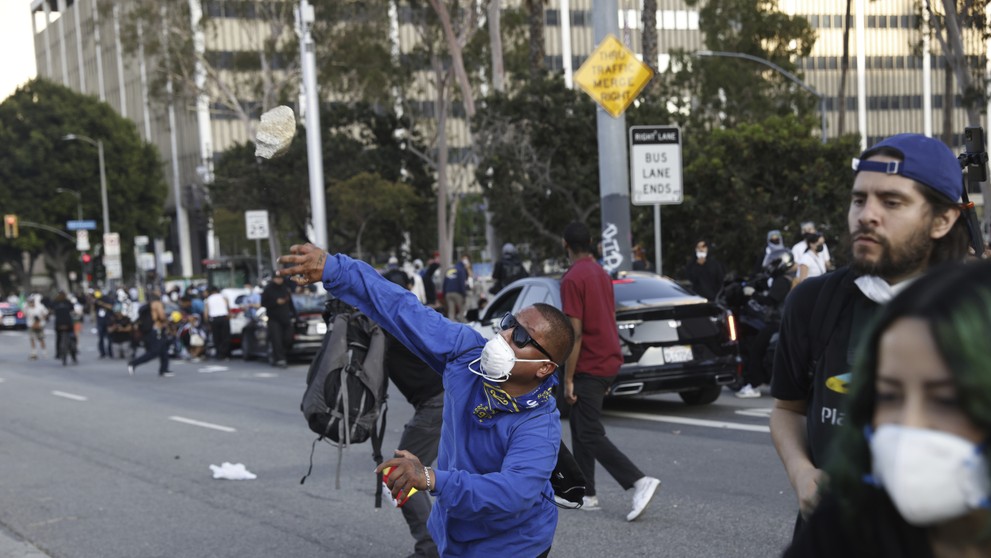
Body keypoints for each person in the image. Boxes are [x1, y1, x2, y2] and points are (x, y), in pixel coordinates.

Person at [277, 242, 575, 557]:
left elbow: (513, 493)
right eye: (508, 324)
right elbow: (403, 309)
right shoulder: (466, 356)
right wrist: (335, 269)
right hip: (453, 540)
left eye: (522, 338)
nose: (505, 336)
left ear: (544, 367)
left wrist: (431, 477)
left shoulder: (538, 424)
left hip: (513, 548)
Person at [770, 133, 970, 537]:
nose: (866, 215)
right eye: (859, 199)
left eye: (892, 202)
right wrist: (801, 472)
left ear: (942, 220)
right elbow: (788, 409)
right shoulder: (813, 303)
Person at [784, 260, 991, 557]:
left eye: (945, 400)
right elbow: (786, 408)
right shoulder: (845, 522)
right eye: (888, 396)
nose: (908, 424)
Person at [560, 222, 661, 521]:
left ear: (566, 245)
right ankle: (585, 493)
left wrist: (567, 377)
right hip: (609, 358)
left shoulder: (572, 279)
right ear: (590, 243)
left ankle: (638, 482)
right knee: (580, 426)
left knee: (589, 431)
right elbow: (609, 315)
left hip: (590, 363)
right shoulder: (601, 273)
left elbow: (574, 333)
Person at [381, 269, 446, 558]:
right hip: (447, 399)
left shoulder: (391, 324)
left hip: (437, 403)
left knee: (399, 472)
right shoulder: (416, 317)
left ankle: (429, 548)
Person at [127, 293, 172, 377]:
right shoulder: (157, 304)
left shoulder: (147, 306)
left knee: (163, 350)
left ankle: (164, 369)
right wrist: (167, 320)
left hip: (151, 331)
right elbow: (161, 316)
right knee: (154, 352)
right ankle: (134, 363)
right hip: (157, 329)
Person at [261, 274, 296, 368]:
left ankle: (280, 354)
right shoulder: (268, 289)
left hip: (285, 318)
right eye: (277, 278)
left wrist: (295, 316)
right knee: (276, 340)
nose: (279, 280)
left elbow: (290, 303)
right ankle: (280, 359)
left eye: (280, 278)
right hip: (274, 319)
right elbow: (263, 303)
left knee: (288, 338)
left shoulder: (285, 288)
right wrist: (276, 302)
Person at [204, 285, 231, 359]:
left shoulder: (208, 299)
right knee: (225, 337)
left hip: (214, 319)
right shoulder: (223, 297)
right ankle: (226, 354)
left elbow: (206, 312)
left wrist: (207, 322)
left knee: (216, 337)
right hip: (224, 318)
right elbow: (228, 307)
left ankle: (219, 354)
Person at [441, 253, 469, 322]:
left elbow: (444, 283)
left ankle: (451, 323)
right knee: (461, 309)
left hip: (448, 293)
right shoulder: (461, 270)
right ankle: (463, 322)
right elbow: (461, 283)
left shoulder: (449, 270)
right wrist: (464, 294)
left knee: (451, 311)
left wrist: (444, 294)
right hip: (457, 293)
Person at [51, 291, 77, 364]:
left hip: (59, 323)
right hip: (68, 323)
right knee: (72, 338)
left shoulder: (55, 302)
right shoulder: (67, 302)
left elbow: (51, 310)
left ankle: (58, 353)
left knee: (58, 338)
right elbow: (73, 311)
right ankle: (74, 354)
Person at [23, 295, 48, 360]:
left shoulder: (40, 307)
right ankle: (34, 353)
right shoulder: (27, 308)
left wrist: (39, 320)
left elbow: (45, 314)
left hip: (40, 325)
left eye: (32, 301)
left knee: (41, 338)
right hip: (31, 325)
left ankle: (44, 352)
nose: (31, 303)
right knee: (32, 339)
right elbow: (24, 314)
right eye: (29, 301)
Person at [93, 290, 114, 358]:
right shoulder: (96, 300)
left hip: (108, 321)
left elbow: (111, 307)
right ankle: (102, 353)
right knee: (101, 338)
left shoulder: (107, 299)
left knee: (109, 338)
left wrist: (101, 303)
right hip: (100, 321)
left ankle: (110, 352)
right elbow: (94, 310)